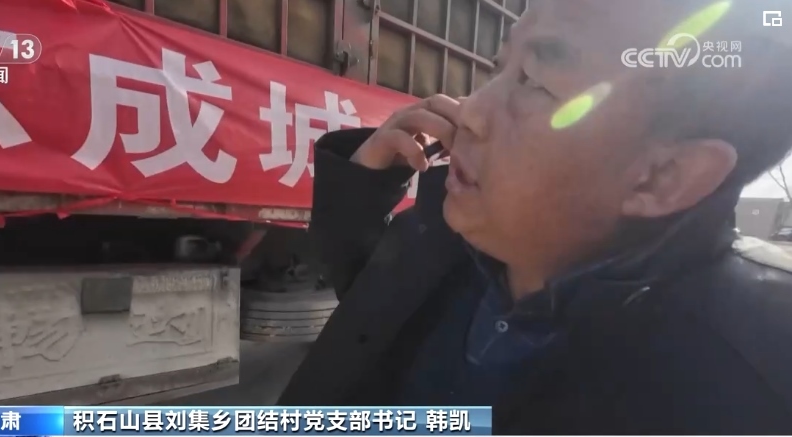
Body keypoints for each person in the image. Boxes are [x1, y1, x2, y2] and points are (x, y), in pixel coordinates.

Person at [278, 0, 792, 434]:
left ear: (660, 177)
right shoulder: (469, 236)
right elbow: (372, 310)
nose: (470, 111)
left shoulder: (744, 385)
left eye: (537, 82)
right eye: (499, 68)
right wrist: (362, 192)